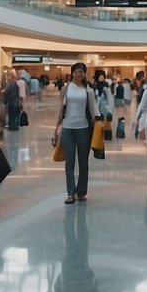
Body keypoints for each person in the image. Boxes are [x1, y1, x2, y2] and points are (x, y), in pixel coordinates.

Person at [52, 61, 98, 204]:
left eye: (82, 72)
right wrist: (56, 126)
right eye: (77, 71)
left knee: (83, 161)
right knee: (69, 161)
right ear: (72, 73)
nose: (79, 74)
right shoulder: (66, 89)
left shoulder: (88, 90)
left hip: (83, 128)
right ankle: (70, 193)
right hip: (68, 128)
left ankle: (81, 191)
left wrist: (99, 122)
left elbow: (93, 108)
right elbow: (60, 108)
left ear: (85, 74)